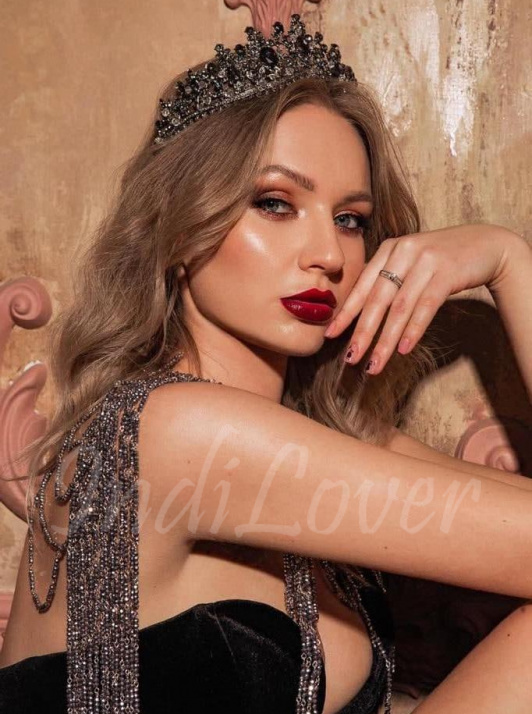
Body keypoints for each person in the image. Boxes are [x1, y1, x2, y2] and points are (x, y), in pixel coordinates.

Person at [0, 13, 531, 714]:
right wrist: (510, 262)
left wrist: (506, 260)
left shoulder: (314, 439)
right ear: (181, 226)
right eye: (275, 203)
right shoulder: (176, 428)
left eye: (349, 219)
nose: (329, 255)